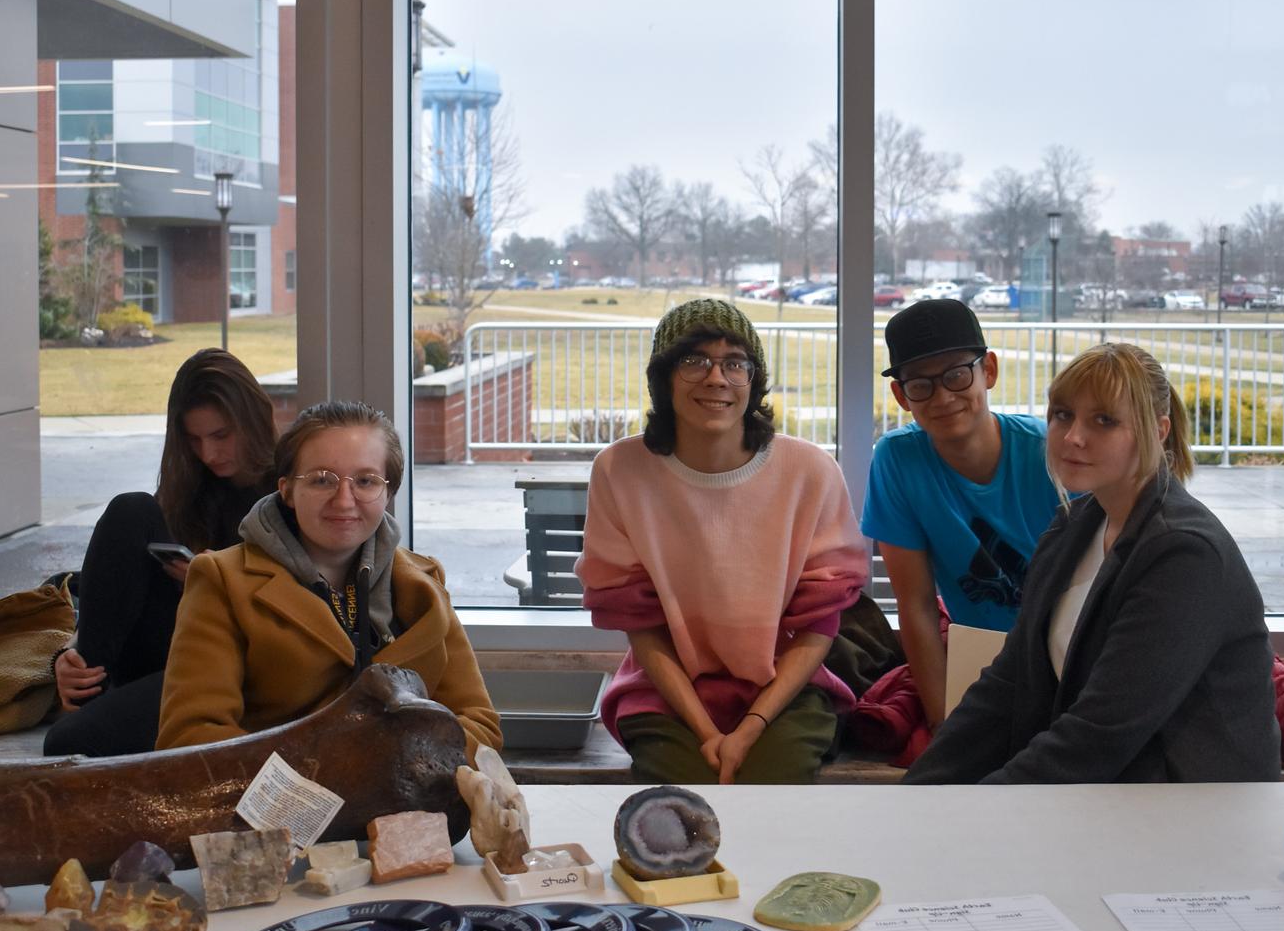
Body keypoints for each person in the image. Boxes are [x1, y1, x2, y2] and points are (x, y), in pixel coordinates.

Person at [902, 343, 1280, 784]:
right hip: (1111, 791)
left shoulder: (1185, 554)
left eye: (1104, 420)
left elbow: (1101, 733)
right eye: (1062, 414)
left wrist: (982, 807)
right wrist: (919, 794)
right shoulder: (1073, 527)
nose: (1073, 437)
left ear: (1157, 431)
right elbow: (1007, 685)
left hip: (1189, 807)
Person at [576, 299, 870, 784]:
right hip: (669, 690)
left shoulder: (809, 472)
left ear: (753, 381)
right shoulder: (621, 471)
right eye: (695, 360)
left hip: (785, 687)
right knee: (682, 798)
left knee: (775, 783)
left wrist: (750, 728)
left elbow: (821, 624)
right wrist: (707, 732)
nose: (717, 378)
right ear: (664, 377)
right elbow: (642, 627)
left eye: (735, 362)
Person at [155, 400, 501, 762]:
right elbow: (189, 737)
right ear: (287, 490)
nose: (344, 500)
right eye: (322, 480)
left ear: (388, 492)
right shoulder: (222, 581)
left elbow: (481, 726)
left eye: (366, 481)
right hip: (277, 812)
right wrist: (335, 773)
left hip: (404, 806)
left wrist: (389, 767)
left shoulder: (425, 583)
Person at [43, 349, 277, 757]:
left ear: (252, 420)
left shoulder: (290, 487)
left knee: (66, 744)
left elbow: (307, 607)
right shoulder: (191, 486)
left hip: (237, 659)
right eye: (193, 439)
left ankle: (98, 710)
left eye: (221, 436)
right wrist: (69, 651)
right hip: (168, 650)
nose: (208, 454)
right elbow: (120, 582)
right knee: (130, 509)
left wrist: (217, 582)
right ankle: (85, 680)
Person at [861, 300, 1060, 727]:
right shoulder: (896, 461)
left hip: (1064, 653)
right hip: (980, 662)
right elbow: (915, 605)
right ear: (901, 394)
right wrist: (943, 725)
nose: (943, 396)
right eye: (920, 384)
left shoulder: (1049, 453)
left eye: (956, 375)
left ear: (988, 370)